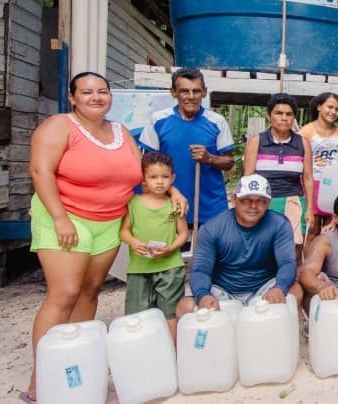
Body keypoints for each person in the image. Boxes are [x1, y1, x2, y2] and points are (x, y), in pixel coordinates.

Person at [24, 72, 183, 404]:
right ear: (72, 97)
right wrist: (59, 218)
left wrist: (175, 191)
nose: (95, 97)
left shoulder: (119, 132)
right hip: (67, 217)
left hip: (109, 221)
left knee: (90, 289)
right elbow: (40, 171)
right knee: (64, 293)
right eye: (86, 92)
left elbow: (146, 170)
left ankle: (77, 359)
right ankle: (41, 378)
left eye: (102, 91)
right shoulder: (58, 126)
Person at [176, 174, 301, 317]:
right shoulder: (212, 228)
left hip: (264, 287)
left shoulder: (280, 224)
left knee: (294, 291)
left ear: (268, 203)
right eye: (246, 200)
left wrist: (280, 288)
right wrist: (203, 295)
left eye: (260, 201)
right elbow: (200, 270)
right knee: (186, 306)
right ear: (234, 199)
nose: (253, 206)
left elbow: (287, 263)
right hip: (223, 289)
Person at [139, 67, 234, 228]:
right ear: (173, 92)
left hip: (210, 208)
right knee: (171, 252)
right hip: (169, 204)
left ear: (204, 92)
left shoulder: (217, 121)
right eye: (184, 91)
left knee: (207, 253)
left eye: (196, 91)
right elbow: (146, 165)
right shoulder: (158, 120)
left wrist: (209, 158)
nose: (191, 97)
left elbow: (229, 162)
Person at [119, 152, 189, 337]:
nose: (160, 182)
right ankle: (143, 351)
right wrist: (133, 242)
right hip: (139, 267)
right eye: (153, 177)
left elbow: (183, 233)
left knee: (170, 312)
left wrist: (171, 248)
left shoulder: (174, 204)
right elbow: (124, 231)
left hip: (170, 267)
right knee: (137, 316)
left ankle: (172, 352)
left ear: (172, 178)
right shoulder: (133, 203)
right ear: (143, 179)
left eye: (165, 177)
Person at [242, 93, 308, 248]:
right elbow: (248, 177)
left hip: (293, 202)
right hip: (263, 202)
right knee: (261, 248)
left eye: (289, 114)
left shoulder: (302, 143)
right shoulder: (256, 142)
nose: (284, 118)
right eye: (279, 113)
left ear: (293, 117)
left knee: (293, 250)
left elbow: (308, 178)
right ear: (269, 116)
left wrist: (309, 209)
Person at [300, 92, 338, 241]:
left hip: (333, 184)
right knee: (311, 228)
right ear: (319, 106)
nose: (333, 112)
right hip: (311, 183)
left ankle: (326, 263)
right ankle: (308, 263)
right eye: (330, 107)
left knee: (331, 229)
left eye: (337, 109)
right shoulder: (306, 131)